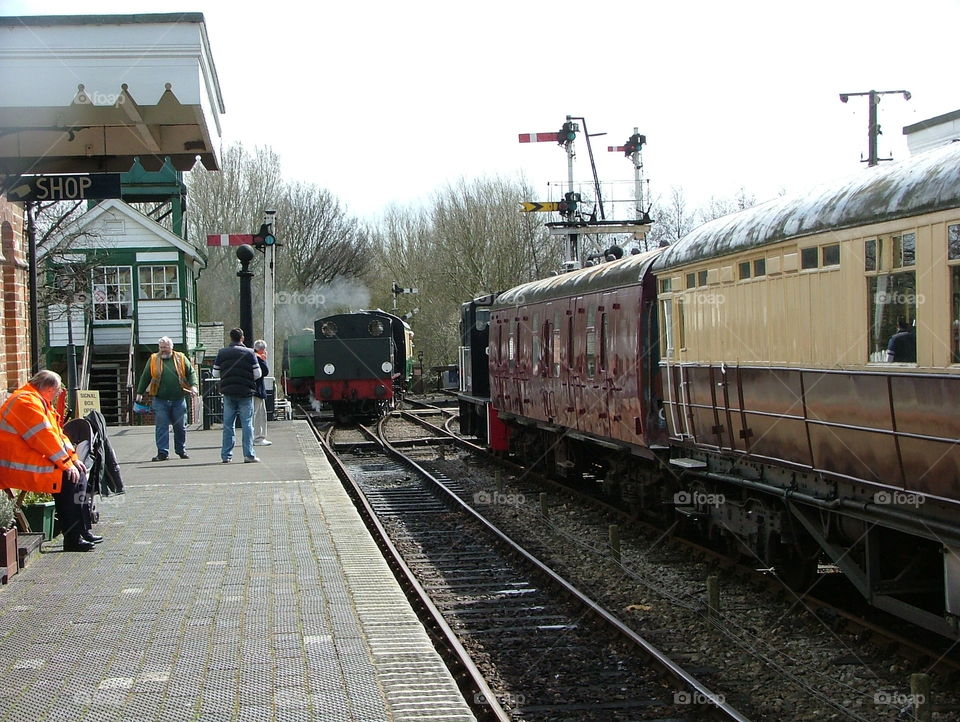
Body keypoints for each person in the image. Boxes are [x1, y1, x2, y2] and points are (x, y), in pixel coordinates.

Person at [0, 370, 101, 551]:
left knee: (80, 474)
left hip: (28, 459)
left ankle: (82, 529)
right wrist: (65, 463)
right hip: (15, 465)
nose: (56, 396)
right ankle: (72, 538)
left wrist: (73, 458)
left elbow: (57, 435)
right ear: (48, 389)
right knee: (68, 480)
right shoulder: (26, 402)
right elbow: (43, 437)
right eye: (56, 392)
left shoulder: (37, 401)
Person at [135, 337, 199, 461]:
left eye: (165, 347)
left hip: (178, 399)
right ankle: (162, 453)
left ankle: (181, 450)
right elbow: (145, 376)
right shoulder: (153, 359)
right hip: (160, 399)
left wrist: (194, 386)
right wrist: (139, 392)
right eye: (161, 347)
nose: (163, 350)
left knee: (180, 427)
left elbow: (191, 372)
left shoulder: (181, 357)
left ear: (171, 347)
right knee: (161, 427)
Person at [213, 328, 262, 463]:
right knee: (247, 424)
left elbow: (215, 374)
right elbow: (258, 374)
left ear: (230, 338)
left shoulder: (222, 353)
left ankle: (226, 456)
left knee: (228, 424)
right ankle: (249, 455)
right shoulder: (250, 353)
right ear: (242, 338)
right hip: (245, 393)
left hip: (228, 392)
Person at [252, 339, 272, 446]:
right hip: (257, 390)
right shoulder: (258, 358)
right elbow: (265, 371)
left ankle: (257, 437)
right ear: (262, 349)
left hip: (253, 390)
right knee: (259, 415)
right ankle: (258, 438)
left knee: (257, 414)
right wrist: (264, 360)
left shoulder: (251, 356)